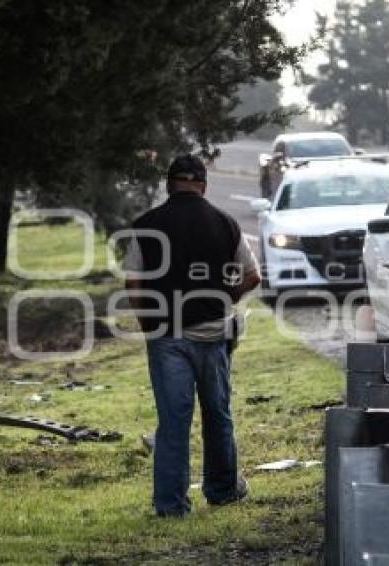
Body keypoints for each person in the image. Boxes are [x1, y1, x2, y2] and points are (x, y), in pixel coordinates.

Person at [123, 154, 261, 517]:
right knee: (218, 414)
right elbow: (253, 276)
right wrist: (226, 298)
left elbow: (133, 283)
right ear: (203, 185)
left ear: (169, 185)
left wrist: (147, 321)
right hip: (214, 335)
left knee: (173, 421)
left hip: (166, 337)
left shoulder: (146, 225)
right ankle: (223, 490)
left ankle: (171, 505)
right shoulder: (226, 223)